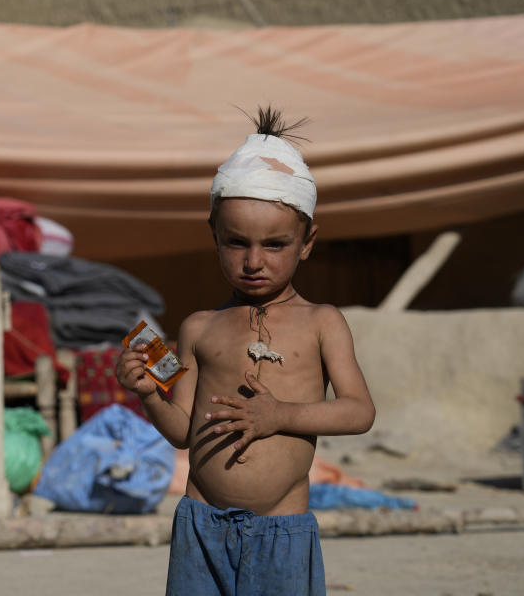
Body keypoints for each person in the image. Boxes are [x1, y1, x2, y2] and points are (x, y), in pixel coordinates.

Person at [115, 107, 376, 596]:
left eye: (275, 245)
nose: (254, 262)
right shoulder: (198, 328)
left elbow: (359, 411)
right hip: (201, 525)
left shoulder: (323, 322)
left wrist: (279, 415)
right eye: (236, 243)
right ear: (213, 236)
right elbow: (182, 433)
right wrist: (149, 394)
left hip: (282, 531)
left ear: (307, 242)